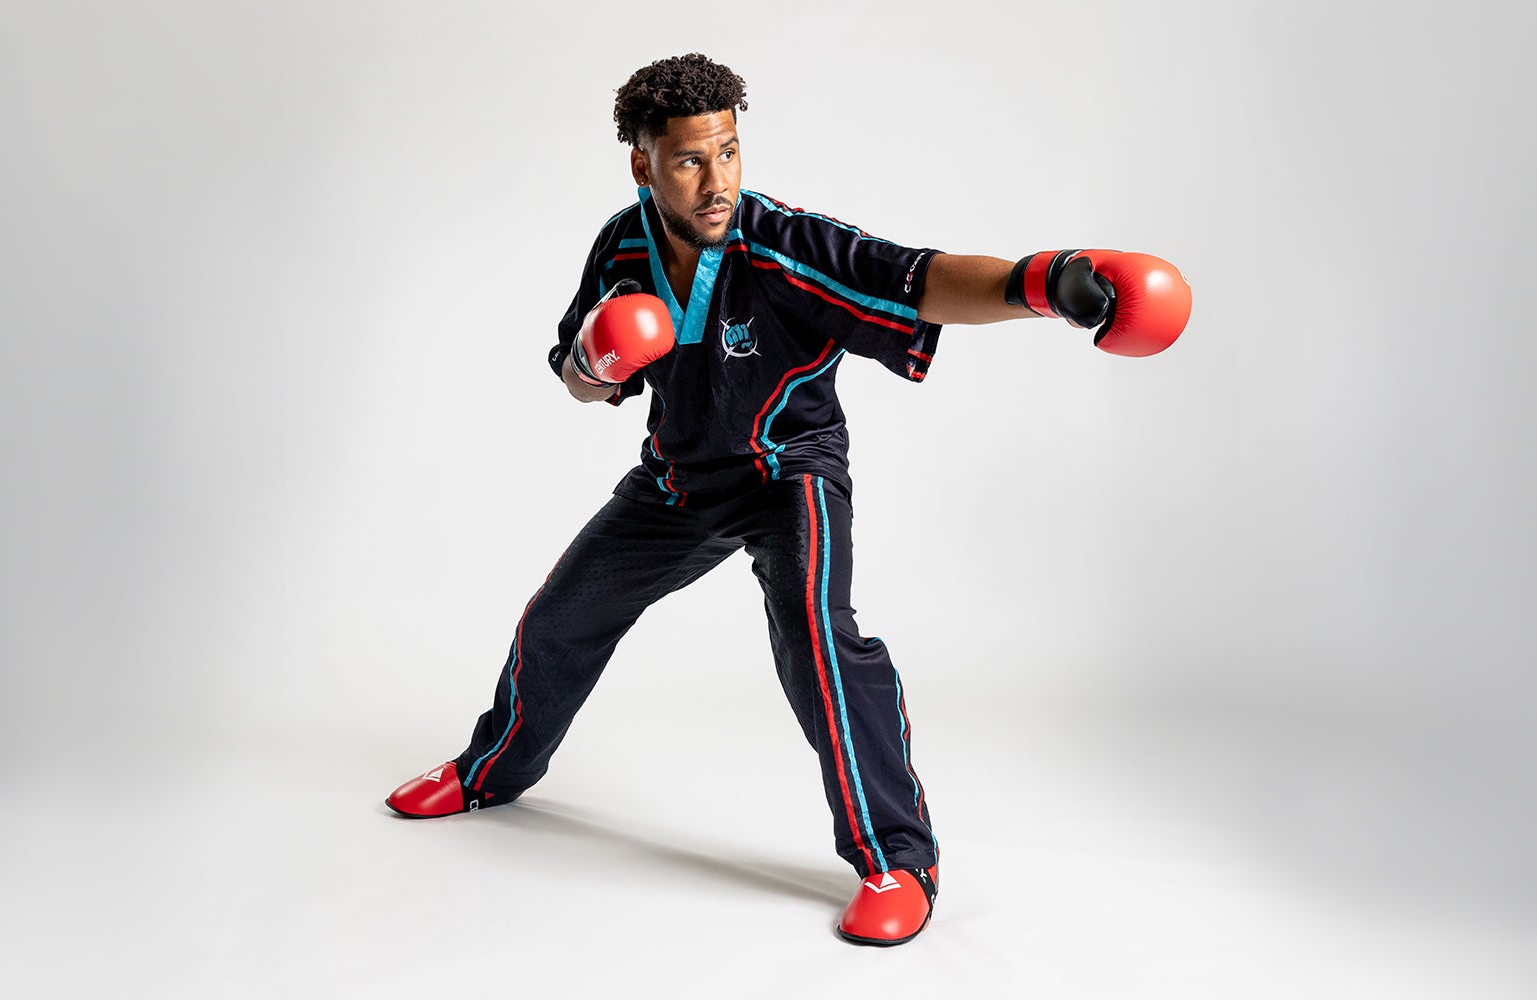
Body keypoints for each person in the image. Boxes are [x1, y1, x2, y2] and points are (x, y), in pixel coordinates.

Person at [385, 53, 1191, 947]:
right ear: (642, 164)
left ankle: (898, 861)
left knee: (818, 638)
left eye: (729, 151)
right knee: (560, 617)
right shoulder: (620, 246)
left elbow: (912, 277)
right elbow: (581, 380)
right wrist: (595, 358)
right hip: (677, 479)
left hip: (788, 473)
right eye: (690, 160)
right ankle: (491, 770)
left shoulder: (784, 246)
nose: (716, 180)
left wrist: (1041, 283)